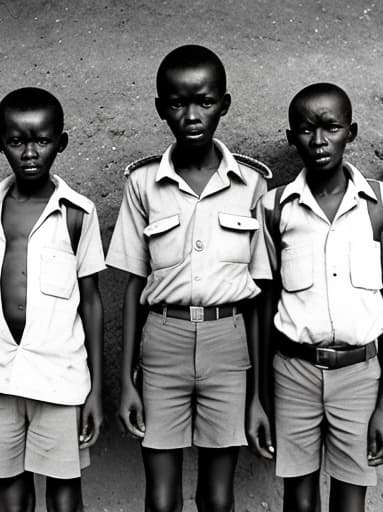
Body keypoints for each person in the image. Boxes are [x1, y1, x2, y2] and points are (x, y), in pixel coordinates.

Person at [106, 44, 274, 512]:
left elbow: (258, 297)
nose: (192, 115)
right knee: (161, 500)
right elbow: (134, 287)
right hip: (163, 342)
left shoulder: (252, 185)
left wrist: (257, 394)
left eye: (203, 101)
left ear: (224, 103)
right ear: (161, 108)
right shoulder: (142, 184)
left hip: (228, 341)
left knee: (217, 499)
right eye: (177, 104)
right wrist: (126, 381)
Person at [260, 82, 383, 512]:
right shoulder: (275, 209)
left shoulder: (380, 204)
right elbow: (266, 304)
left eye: (331, 127)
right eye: (306, 129)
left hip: (359, 376)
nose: (318, 140)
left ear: (351, 131)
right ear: (291, 137)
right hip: (293, 373)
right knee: (300, 500)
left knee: (351, 503)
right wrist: (262, 396)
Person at [0, 87, 106, 512]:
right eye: (17, 142)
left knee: (64, 494)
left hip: (59, 379)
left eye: (42, 140)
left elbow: (91, 304)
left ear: (61, 142)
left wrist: (94, 393)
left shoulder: (79, 214)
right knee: (12, 496)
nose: (30, 153)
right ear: (0, 143)